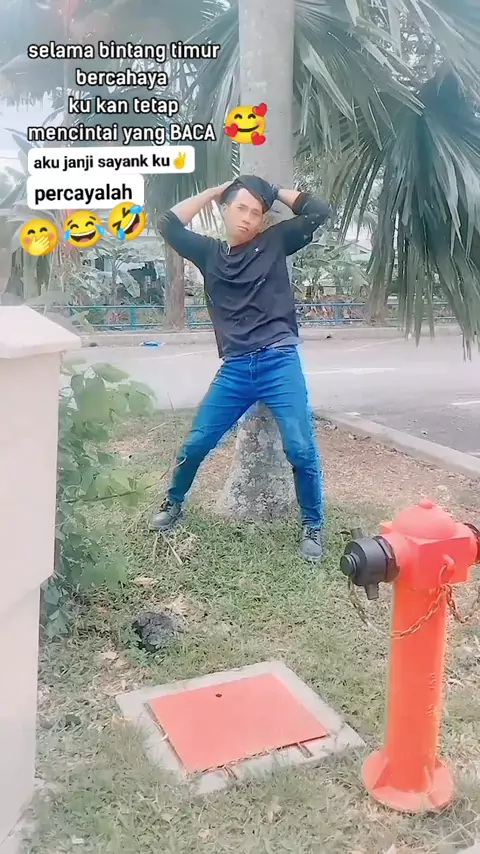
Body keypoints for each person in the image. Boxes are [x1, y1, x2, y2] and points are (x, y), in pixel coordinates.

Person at [151, 175, 331, 560]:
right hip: (235, 370)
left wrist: (272, 191)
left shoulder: (274, 242)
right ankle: (173, 502)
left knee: (300, 447)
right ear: (226, 209)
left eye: (256, 212)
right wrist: (214, 191)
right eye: (240, 208)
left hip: (278, 361)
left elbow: (319, 212)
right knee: (197, 443)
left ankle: (313, 524)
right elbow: (168, 224)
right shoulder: (209, 253)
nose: (248, 218)